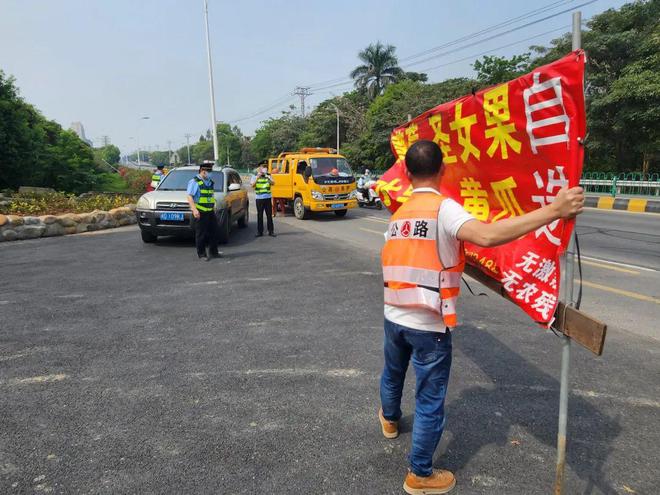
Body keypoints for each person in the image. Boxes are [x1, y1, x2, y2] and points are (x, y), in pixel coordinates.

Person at [379, 140, 584, 494]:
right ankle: (419, 475)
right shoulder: (444, 210)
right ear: (443, 170)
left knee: (393, 373)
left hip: (393, 315)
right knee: (429, 400)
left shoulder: (399, 215)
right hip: (429, 325)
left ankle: (390, 421)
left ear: (408, 174)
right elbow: (487, 235)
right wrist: (554, 210)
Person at [186, 161, 221, 261]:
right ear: (202, 171)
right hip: (200, 211)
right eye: (208, 171)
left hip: (210, 211)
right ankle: (201, 254)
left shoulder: (210, 181)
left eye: (211, 170)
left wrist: (213, 205)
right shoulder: (195, 181)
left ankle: (214, 252)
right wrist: (194, 209)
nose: (210, 173)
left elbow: (210, 195)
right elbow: (189, 196)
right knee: (201, 234)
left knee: (214, 231)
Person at [251, 162, 276, 237]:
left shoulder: (268, 175)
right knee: (260, 215)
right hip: (259, 198)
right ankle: (260, 232)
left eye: (265, 167)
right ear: (259, 168)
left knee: (269, 215)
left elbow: (273, 183)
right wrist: (257, 178)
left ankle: (271, 231)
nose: (264, 168)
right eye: (262, 167)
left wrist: (267, 178)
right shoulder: (255, 176)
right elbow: (252, 185)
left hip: (267, 198)